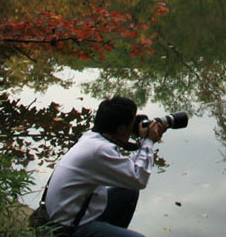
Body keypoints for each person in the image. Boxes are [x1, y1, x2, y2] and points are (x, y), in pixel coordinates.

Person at [43, 96, 165, 236]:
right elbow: (139, 179)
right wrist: (148, 141)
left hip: (71, 213)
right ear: (121, 129)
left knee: (128, 191)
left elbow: (130, 172)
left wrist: (145, 142)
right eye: (133, 123)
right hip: (66, 228)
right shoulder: (98, 150)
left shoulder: (93, 138)